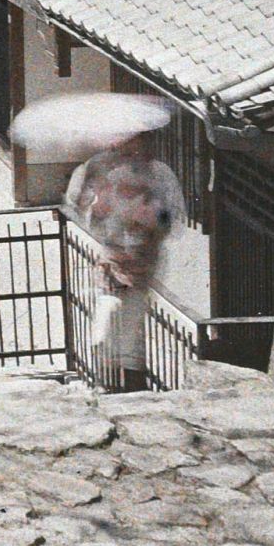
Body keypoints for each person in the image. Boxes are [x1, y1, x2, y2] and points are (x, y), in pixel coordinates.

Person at [64, 132, 185, 386]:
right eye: (122, 141)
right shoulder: (100, 168)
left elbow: (173, 222)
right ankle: (105, 384)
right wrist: (96, 209)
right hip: (112, 259)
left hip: (143, 259)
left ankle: (129, 387)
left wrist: (151, 216)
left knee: (130, 333)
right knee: (107, 324)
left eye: (135, 140)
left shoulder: (159, 174)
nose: (128, 146)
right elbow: (80, 210)